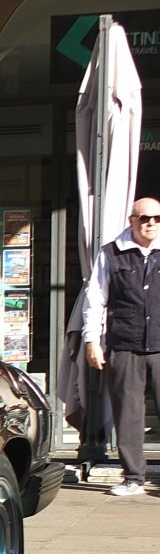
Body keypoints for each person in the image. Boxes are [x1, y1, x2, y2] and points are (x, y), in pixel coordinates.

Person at [83, 196, 160, 497]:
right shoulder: (111, 254)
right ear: (132, 220)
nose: (151, 223)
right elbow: (95, 300)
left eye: (156, 218)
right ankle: (133, 478)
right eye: (144, 218)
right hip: (124, 342)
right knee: (128, 413)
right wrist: (92, 340)